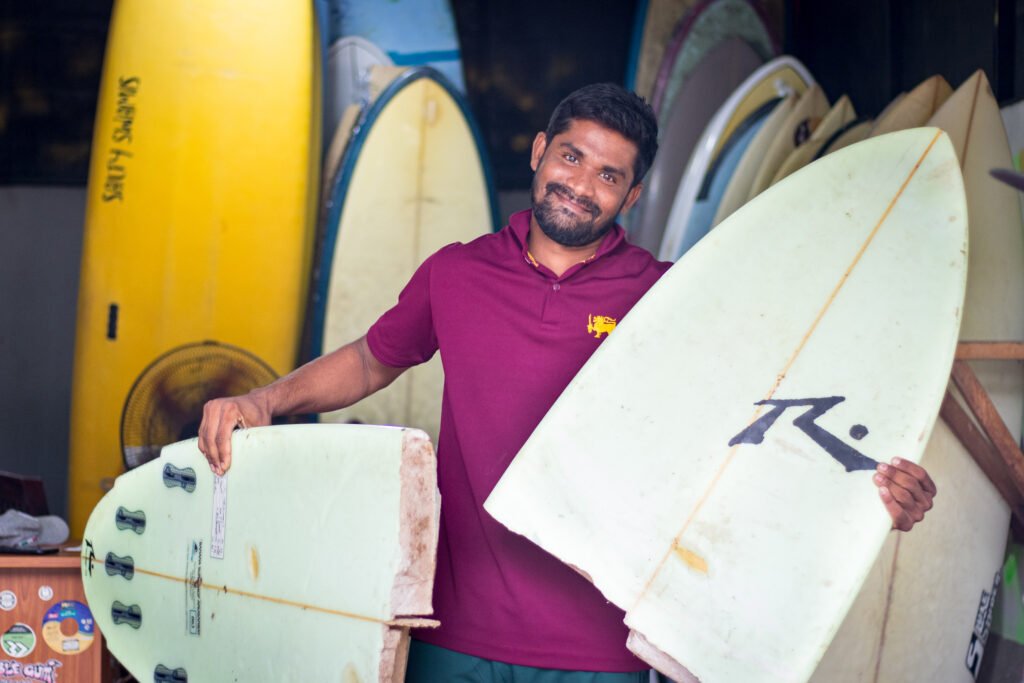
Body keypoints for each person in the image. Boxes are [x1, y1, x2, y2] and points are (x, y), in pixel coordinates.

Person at [199, 83, 936, 681]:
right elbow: (369, 359)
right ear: (538, 152)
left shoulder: (671, 297)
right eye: (572, 157)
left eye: (608, 175)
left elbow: (761, 423)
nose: (581, 185)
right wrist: (264, 399)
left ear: (633, 193)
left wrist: (872, 490)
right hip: (452, 630)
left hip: (600, 647)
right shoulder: (458, 272)